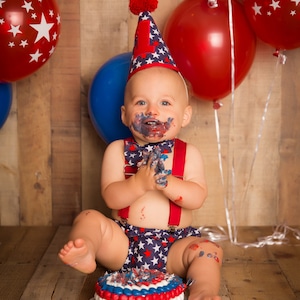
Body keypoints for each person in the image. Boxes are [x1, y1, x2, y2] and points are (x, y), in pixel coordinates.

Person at [58, 3, 223, 300]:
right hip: (124, 242)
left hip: (174, 245)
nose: (152, 112)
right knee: (88, 217)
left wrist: (166, 183)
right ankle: (86, 250)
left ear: (185, 116)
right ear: (124, 114)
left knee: (207, 251)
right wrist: (139, 183)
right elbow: (111, 196)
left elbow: (196, 197)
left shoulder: (188, 154)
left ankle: (204, 291)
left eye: (165, 103)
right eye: (141, 103)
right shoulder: (117, 151)